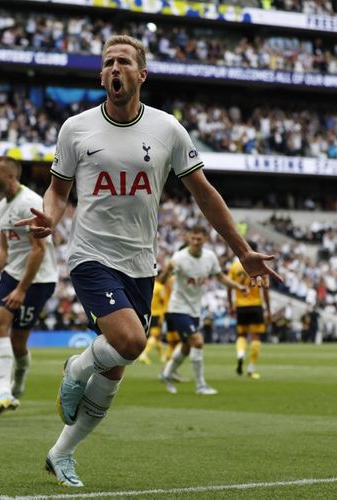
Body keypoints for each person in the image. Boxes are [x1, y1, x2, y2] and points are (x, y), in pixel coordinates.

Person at [17, 34, 281, 487]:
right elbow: (58, 191)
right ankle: (76, 367)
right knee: (132, 341)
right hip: (91, 255)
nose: (113, 69)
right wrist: (51, 219)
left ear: (141, 75)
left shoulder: (167, 129)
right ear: (102, 75)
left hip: (141, 263)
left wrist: (242, 251)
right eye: (107, 63)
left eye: (123, 62)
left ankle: (61, 452)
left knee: (117, 365)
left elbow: (204, 193)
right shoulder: (75, 128)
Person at [0, 155, 58, 414]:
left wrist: (22, 289)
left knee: (18, 342)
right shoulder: (2, 207)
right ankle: (3, 392)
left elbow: (39, 251)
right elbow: (5, 249)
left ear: (12, 177)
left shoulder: (30, 203)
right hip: (13, 273)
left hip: (38, 279)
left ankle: (18, 380)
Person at [157, 226, 248, 395]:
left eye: (199, 239)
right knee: (197, 342)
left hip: (195, 310)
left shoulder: (210, 257)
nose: (196, 242)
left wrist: (238, 287)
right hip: (178, 308)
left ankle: (167, 373)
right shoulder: (180, 258)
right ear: (188, 239)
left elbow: (220, 278)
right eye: (193, 238)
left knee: (186, 346)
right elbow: (161, 281)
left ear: (205, 239)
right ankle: (200, 385)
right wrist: (168, 270)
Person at [228, 244, 271, 379]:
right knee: (255, 337)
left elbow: (229, 287)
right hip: (255, 305)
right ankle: (251, 370)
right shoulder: (258, 266)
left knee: (241, 335)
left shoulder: (234, 267)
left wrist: (231, 305)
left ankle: (240, 354)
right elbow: (265, 289)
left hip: (241, 305)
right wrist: (268, 309)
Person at [137, 278, 166, 365]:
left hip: (148, 313)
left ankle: (162, 356)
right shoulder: (160, 287)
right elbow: (163, 302)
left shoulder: (149, 286)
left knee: (156, 337)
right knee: (154, 336)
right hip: (157, 314)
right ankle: (144, 354)